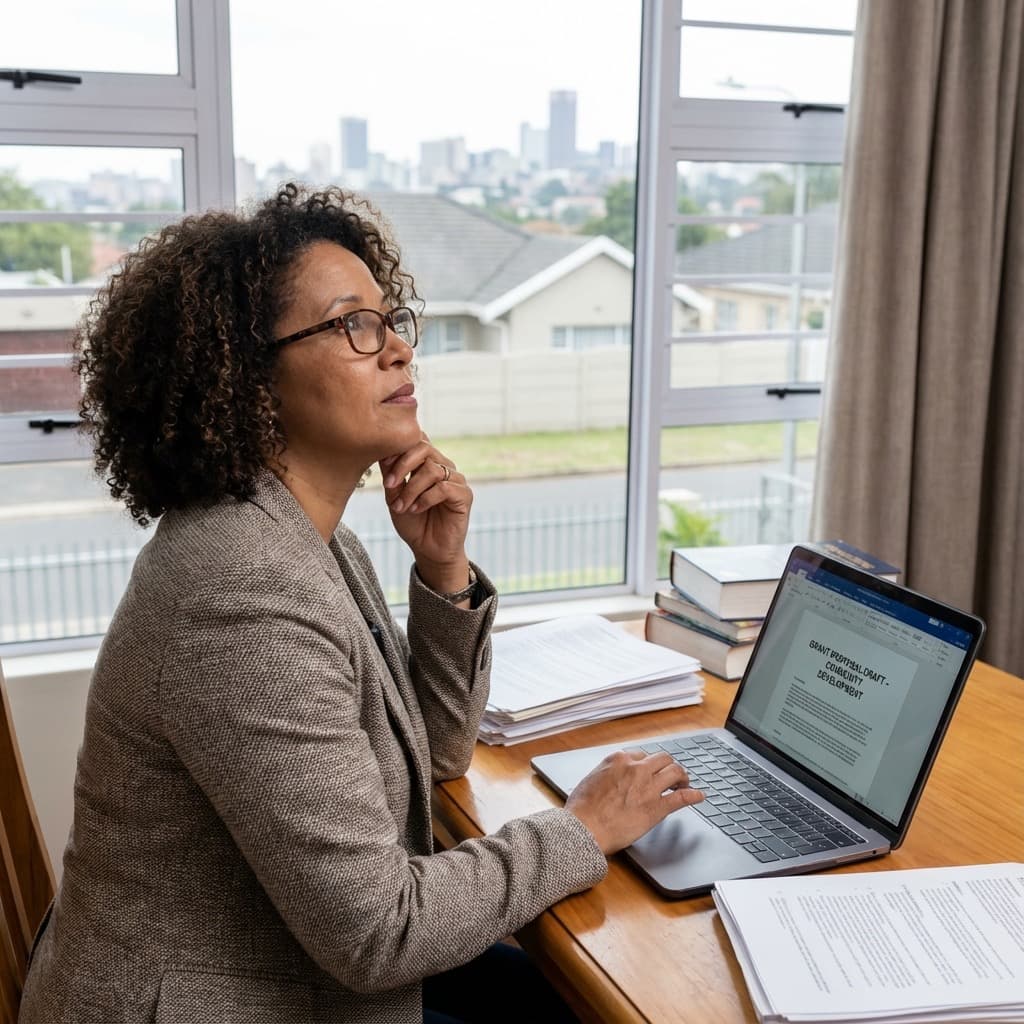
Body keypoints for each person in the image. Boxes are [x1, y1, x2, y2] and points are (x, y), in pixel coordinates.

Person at [18, 184, 704, 1024]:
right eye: (353, 325)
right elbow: (380, 933)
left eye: (390, 319)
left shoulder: (305, 536)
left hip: (290, 960)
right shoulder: (238, 591)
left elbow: (436, 752)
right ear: (249, 376)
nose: (398, 352)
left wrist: (442, 569)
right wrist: (585, 826)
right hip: (224, 998)